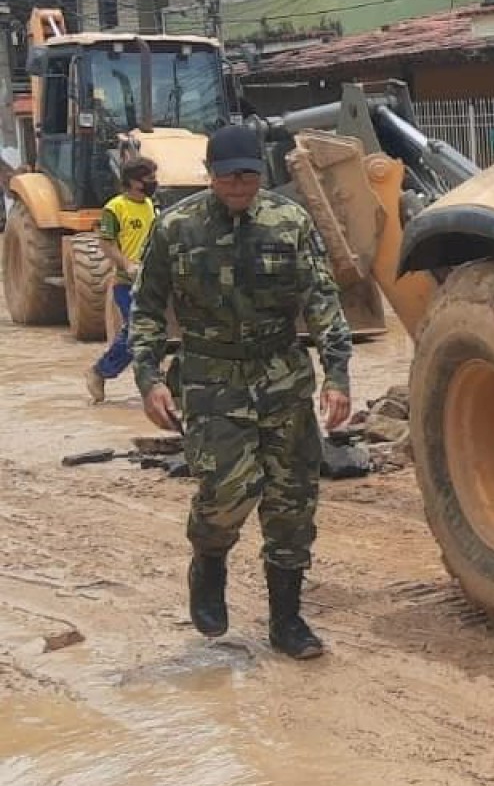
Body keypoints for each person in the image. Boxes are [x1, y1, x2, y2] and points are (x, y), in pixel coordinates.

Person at [131, 123, 353, 660]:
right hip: (211, 379)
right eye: (229, 176)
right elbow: (147, 308)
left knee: (292, 500)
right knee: (226, 493)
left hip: (282, 376)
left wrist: (337, 375)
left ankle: (287, 621)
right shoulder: (176, 228)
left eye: (248, 176)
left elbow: (322, 300)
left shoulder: (289, 222)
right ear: (210, 174)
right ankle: (209, 562)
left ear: (261, 175)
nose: (239, 186)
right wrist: (149, 378)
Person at [84, 155, 159, 403]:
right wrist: (127, 263)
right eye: (148, 178)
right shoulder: (114, 208)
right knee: (135, 332)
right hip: (127, 283)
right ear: (133, 181)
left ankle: (160, 384)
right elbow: (106, 244)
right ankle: (100, 372)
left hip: (153, 282)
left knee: (157, 334)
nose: (153, 182)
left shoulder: (151, 205)